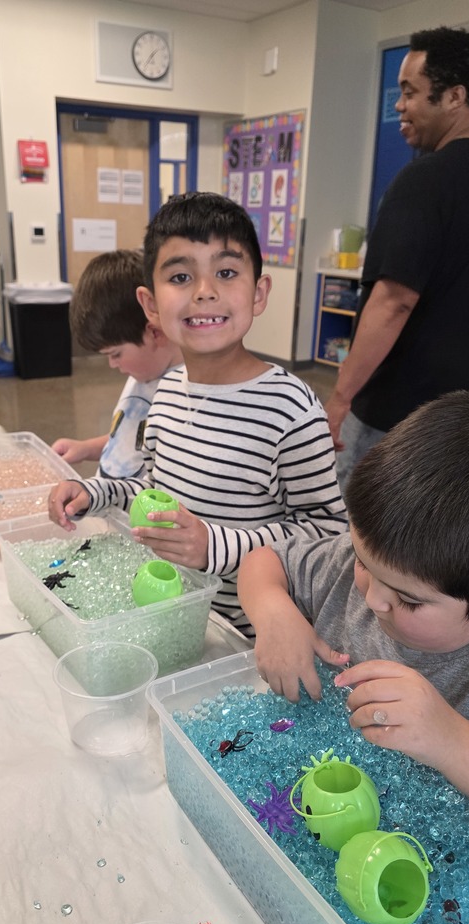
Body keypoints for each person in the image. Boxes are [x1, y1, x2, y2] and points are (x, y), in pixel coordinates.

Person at [237, 391, 469, 856]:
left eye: (407, 600)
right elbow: (263, 561)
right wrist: (274, 613)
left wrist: (452, 741)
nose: (372, 598)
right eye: (365, 564)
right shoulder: (358, 564)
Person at [49, 192, 347, 634]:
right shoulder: (165, 393)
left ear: (259, 292)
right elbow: (154, 489)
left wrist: (214, 546)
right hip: (176, 615)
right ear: (150, 305)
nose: (205, 292)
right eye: (182, 276)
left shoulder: (291, 410)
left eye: (226, 273)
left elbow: (326, 538)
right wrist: (96, 492)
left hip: (248, 637)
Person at [326, 26, 469, 489]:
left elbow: (393, 300)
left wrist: (339, 397)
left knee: (352, 536)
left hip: (398, 416)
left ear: (454, 96)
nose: (399, 104)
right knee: (423, 545)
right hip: (467, 418)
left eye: (410, 92)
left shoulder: (425, 179)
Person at [51, 249, 182, 478]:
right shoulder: (143, 373)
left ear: (154, 332)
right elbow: (127, 440)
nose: (112, 364)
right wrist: (85, 448)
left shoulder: (183, 394)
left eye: (116, 354)